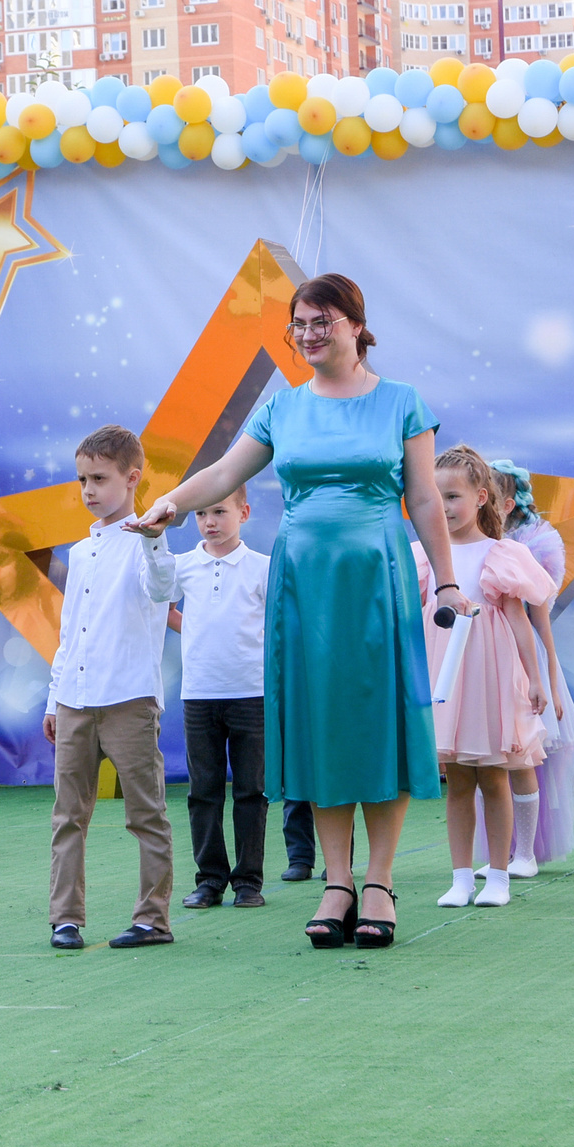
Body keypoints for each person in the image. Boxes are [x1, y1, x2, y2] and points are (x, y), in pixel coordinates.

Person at [131, 274, 459, 953]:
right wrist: (170, 503)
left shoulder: (402, 402)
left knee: (379, 724)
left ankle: (380, 880)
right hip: (304, 582)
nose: (310, 333)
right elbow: (222, 473)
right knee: (322, 726)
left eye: (323, 320)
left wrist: (448, 581)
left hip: (377, 575)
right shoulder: (283, 408)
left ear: (356, 324)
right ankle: (335, 881)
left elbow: (424, 500)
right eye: (300, 323)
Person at [44, 424, 179, 951]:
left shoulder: (148, 542)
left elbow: (163, 589)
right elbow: (69, 629)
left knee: (146, 812)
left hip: (129, 699)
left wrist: (155, 540)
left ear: (132, 478)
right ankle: (65, 918)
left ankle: (152, 919)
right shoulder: (80, 552)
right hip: (76, 699)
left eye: (99, 478)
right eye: (82, 479)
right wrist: (54, 698)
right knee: (67, 816)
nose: (89, 490)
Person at [423, 447, 553, 910]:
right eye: (434, 498)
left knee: (494, 776)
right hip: (447, 682)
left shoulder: (502, 554)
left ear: (481, 497)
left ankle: (498, 875)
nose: (444, 507)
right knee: (457, 780)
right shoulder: (424, 556)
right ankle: (461, 878)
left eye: (453, 496)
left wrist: (536, 679)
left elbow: (520, 621)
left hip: (491, 678)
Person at [168, 487, 272, 909]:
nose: (210, 521)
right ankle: (209, 879)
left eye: (220, 511)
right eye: (201, 514)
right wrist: (191, 628)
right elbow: (160, 604)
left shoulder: (263, 568)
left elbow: (278, 623)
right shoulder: (183, 566)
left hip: (252, 693)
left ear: (243, 513)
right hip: (199, 694)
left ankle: (248, 881)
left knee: (251, 790)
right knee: (203, 790)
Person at [490, 456, 574, 874]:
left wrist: (551, 682)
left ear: (507, 503)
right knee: (488, 754)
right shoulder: (472, 543)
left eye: (488, 495)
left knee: (526, 753)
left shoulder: (531, 550)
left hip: (525, 661)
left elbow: (540, 621)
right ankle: (500, 850)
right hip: (486, 657)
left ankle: (527, 848)